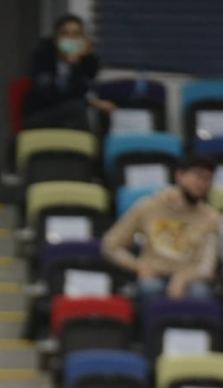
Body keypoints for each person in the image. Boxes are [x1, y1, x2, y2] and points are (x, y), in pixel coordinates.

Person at [101, 154, 220, 300]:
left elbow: (207, 265)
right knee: (150, 289)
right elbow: (111, 244)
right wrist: (137, 266)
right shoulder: (149, 206)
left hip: (190, 277)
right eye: (198, 177)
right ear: (180, 175)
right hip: (153, 273)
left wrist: (182, 278)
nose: (202, 184)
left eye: (208, 179)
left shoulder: (211, 218)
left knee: (199, 294)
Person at [22, 14, 114, 131]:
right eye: (66, 34)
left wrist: (78, 64)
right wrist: (91, 103)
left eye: (76, 35)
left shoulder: (86, 61)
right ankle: (86, 148)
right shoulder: (42, 57)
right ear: (56, 39)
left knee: (103, 112)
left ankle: (99, 147)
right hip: (40, 114)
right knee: (77, 109)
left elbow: (84, 89)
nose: (71, 39)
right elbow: (50, 95)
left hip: (71, 116)